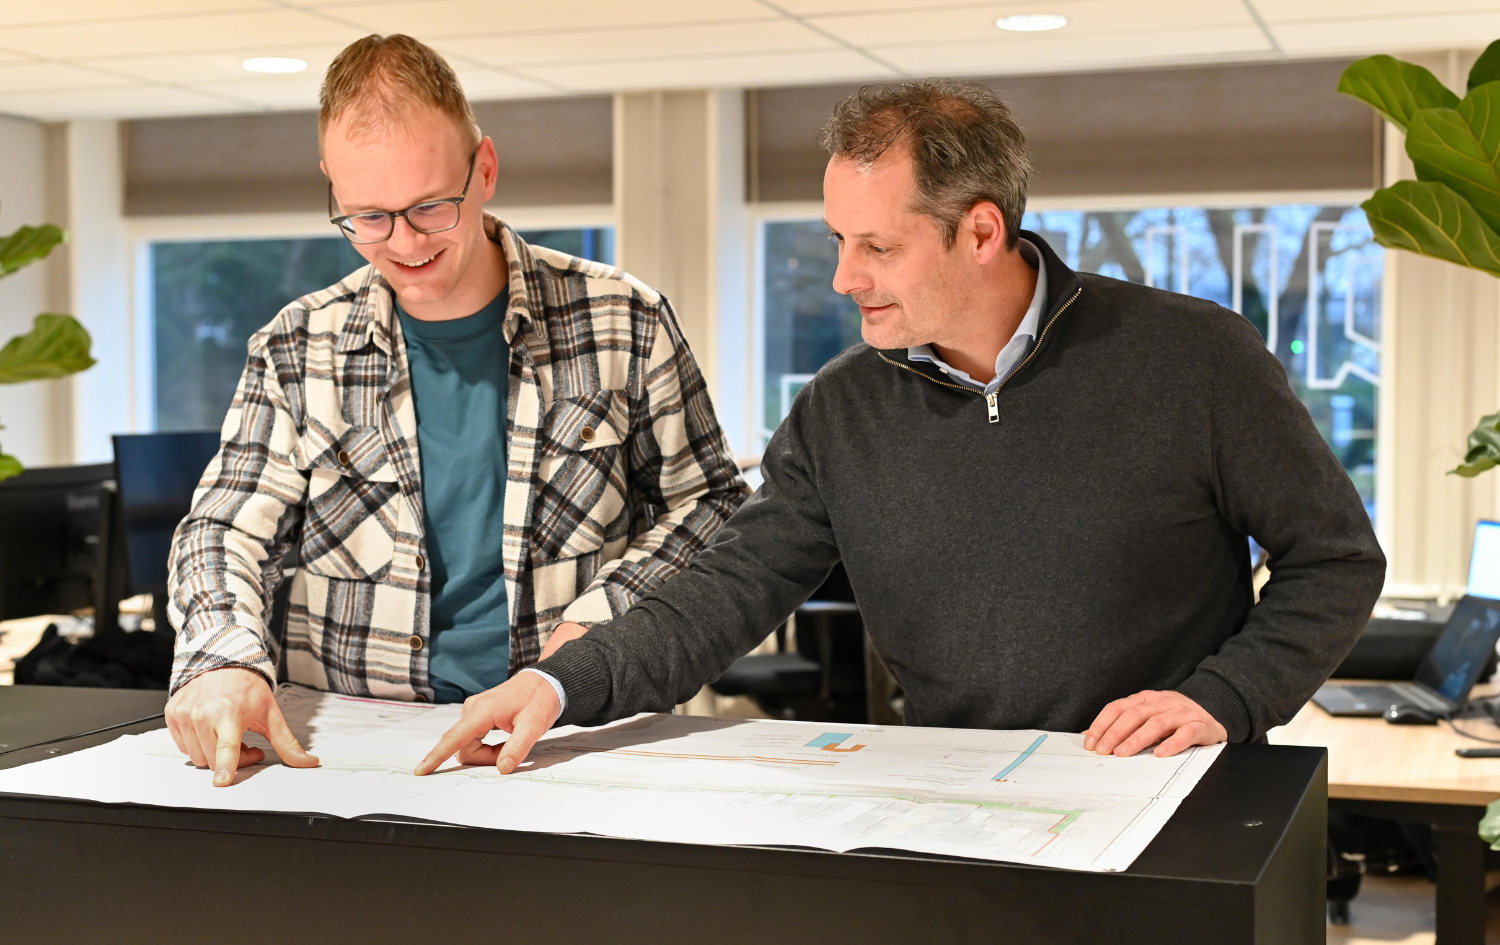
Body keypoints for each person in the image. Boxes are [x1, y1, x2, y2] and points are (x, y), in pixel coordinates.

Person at [414, 79, 1387, 778]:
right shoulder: (842, 409)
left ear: (981, 232)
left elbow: (1335, 558)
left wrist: (1224, 697)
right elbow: (724, 591)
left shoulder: (1194, 357)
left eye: (878, 246)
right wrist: (560, 684)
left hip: (1174, 795)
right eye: (839, 240)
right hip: (959, 806)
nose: (845, 278)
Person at [164, 35, 747, 786]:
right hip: (354, 745)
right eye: (367, 217)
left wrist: (599, 624)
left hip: (568, 733)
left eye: (431, 207)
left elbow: (710, 502)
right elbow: (222, 529)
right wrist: (221, 656)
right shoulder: (296, 346)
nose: (404, 243)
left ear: (486, 170)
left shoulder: (622, 318)